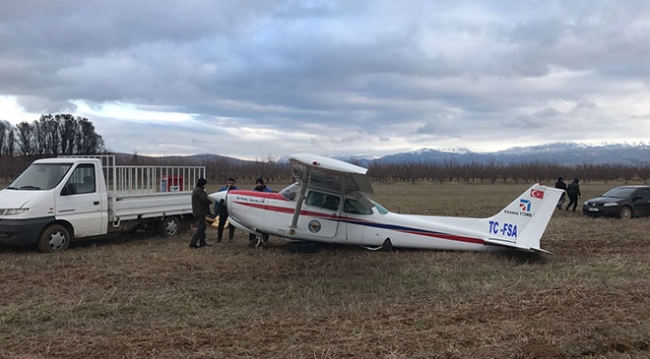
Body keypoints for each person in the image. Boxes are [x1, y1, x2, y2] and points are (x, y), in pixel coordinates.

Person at [249, 178, 273, 243]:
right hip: (255, 211)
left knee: (264, 227)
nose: (258, 184)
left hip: (264, 211)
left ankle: (265, 239)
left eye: (259, 183)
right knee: (253, 226)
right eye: (257, 183)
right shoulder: (254, 191)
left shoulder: (267, 191)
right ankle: (252, 239)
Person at [189, 178, 211, 248]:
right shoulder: (199, 191)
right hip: (200, 212)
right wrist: (211, 201)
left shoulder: (196, 190)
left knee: (202, 227)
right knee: (201, 227)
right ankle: (193, 243)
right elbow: (204, 199)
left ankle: (202, 242)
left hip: (198, 212)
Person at [216, 178, 238, 242]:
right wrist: (217, 210)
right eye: (229, 183)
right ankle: (219, 238)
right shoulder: (222, 190)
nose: (230, 185)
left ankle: (230, 238)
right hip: (223, 210)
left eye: (232, 183)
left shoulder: (236, 191)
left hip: (231, 211)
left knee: (232, 224)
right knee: (221, 224)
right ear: (226, 183)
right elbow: (218, 201)